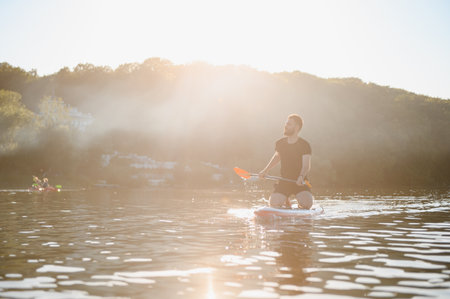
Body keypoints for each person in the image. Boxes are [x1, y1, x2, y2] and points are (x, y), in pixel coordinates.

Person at [259, 114, 314, 209]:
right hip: (284, 181)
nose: (285, 126)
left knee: (306, 204)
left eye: (289, 124)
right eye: (286, 123)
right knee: (274, 203)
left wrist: (301, 177)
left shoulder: (304, 145)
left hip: (300, 181)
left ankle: (299, 202)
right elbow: (277, 157)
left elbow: (306, 166)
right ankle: (285, 199)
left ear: (296, 127)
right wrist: (265, 170)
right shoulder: (280, 143)